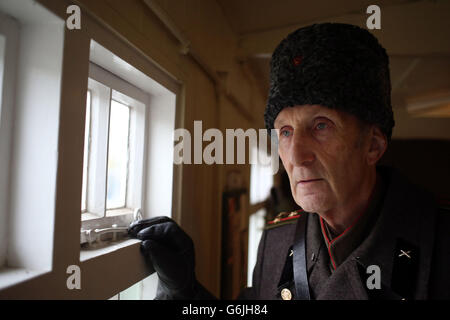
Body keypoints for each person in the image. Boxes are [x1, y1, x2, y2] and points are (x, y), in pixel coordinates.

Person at [128, 23, 450, 300]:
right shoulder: (277, 243)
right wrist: (184, 292)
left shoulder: (438, 244)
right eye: (284, 131)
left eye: (321, 125)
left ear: (373, 145)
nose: (295, 156)